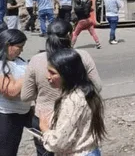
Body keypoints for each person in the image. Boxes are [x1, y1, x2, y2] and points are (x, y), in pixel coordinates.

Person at [21, 20, 101, 156]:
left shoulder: (36, 60)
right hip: (77, 119)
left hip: (44, 118)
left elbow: (26, 96)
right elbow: (97, 87)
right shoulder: (81, 56)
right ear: (70, 35)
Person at [38, 49, 106, 156]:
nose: (48, 76)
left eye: (52, 73)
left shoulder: (72, 101)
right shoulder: (86, 91)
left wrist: (44, 129)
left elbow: (59, 143)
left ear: (67, 74)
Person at [0, 29, 29, 156]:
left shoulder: (20, 61)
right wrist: (31, 71)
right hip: (6, 116)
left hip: (21, 113)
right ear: (8, 45)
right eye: (19, 47)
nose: (21, 50)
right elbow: (10, 91)